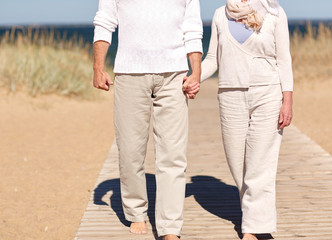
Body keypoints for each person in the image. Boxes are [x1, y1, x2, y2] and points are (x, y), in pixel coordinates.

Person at [92, 0, 203, 239]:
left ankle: (170, 227)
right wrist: (98, 67)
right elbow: (104, 21)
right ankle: (136, 211)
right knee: (130, 149)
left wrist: (196, 71)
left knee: (173, 154)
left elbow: (192, 28)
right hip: (129, 73)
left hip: (174, 74)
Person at [192, 0, 293, 239]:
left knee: (260, 164)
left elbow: (284, 59)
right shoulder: (219, 15)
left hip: (268, 94)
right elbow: (212, 59)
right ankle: (254, 218)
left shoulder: (274, 12)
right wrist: (193, 78)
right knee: (238, 164)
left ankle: (255, 228)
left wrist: (287, 100)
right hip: (230, 95)